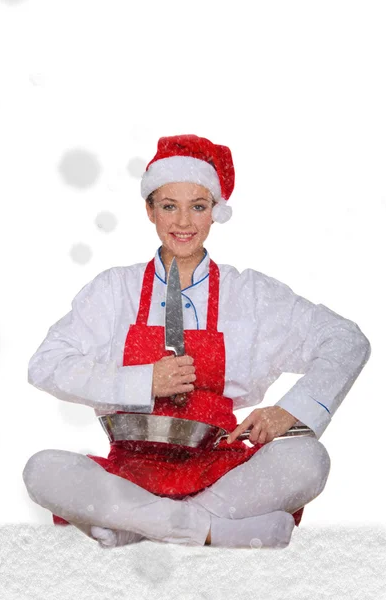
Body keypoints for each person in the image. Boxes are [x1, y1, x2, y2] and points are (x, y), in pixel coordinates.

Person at [23, 134, 371, 549]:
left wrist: (288, 411)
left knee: (309, 460)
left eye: (198, 207)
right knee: (42, 469)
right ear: (150, 210)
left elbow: (346, 340)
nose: (184, 222)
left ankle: (137, 527)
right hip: (130, 471)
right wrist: (142, 381)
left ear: (215, 214)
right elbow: (45, 365)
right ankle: (210, 532)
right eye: (169, 206)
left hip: (221, 469)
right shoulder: (114, 289)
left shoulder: (252, 295)